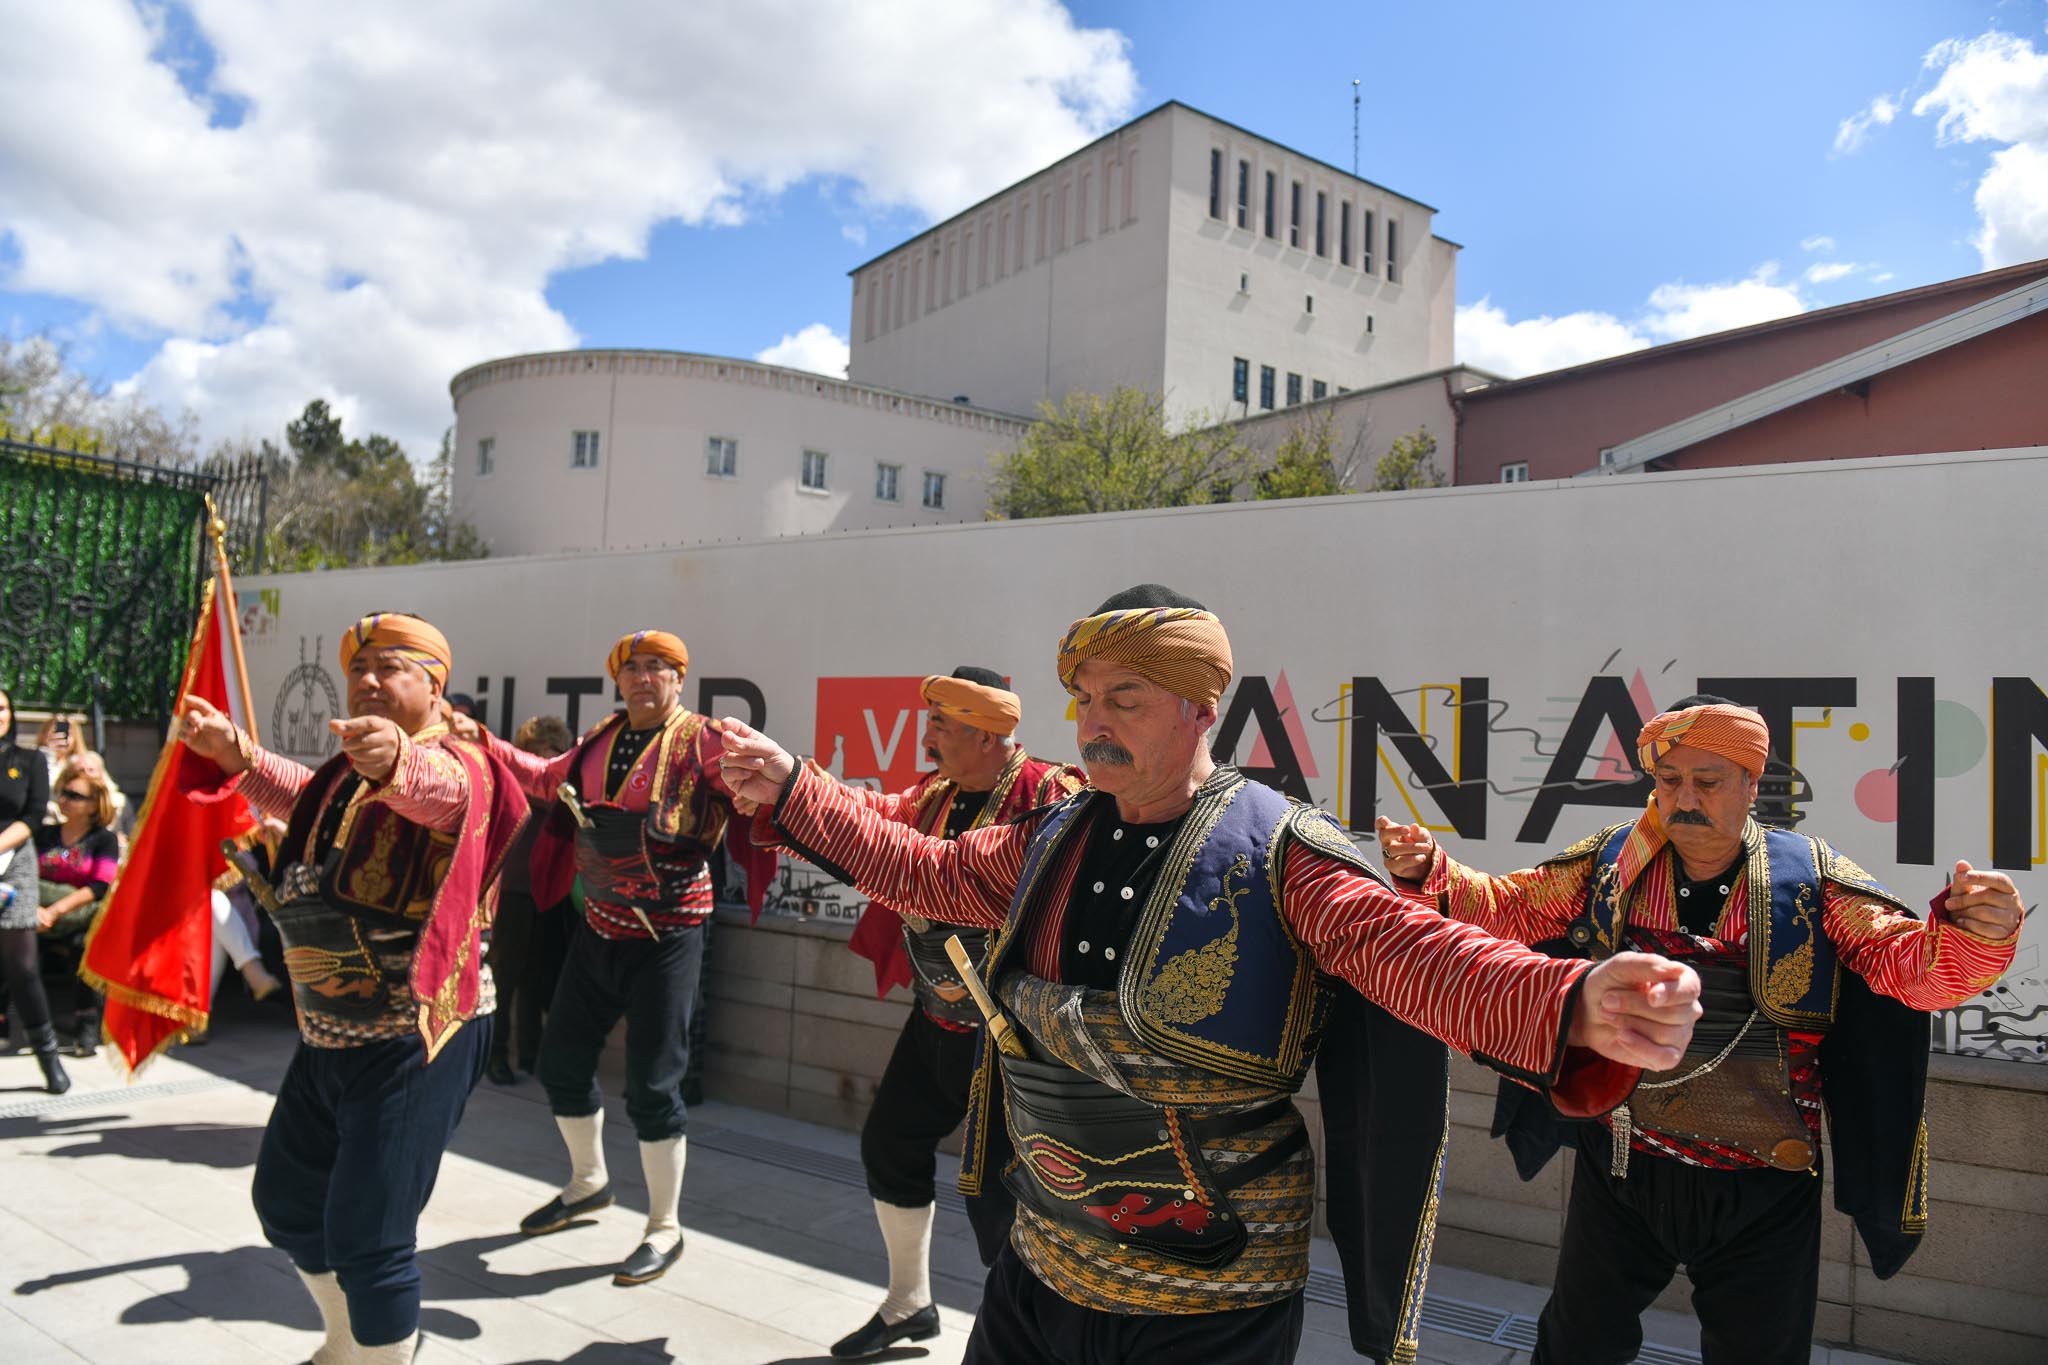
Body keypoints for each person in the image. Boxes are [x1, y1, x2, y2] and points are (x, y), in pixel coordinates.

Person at [719, 586, 1704, 1365]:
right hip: (1043, 1258)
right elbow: (924, 872)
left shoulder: (1277, 851)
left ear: (1201, 709)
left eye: (1124, 699)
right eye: (1085, 698)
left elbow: (1408, 947)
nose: (1092, 722)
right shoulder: (1049, 835)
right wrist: (795, 789)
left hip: (1211, 1295)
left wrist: (1568, 1000)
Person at [1375, 697, 2024, 1365]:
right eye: (1669, 780)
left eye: (1707, 781)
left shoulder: (1812, 881)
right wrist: (1429, 871)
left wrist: (1978, 932)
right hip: (1622, 1166)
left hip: (1764, 1183)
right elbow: (1508, 906)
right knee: (1574, 1346)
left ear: (1752, 782)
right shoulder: (1613, 864)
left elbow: (1912, 970)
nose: (1684, 798)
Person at [178, 612, 525, 1365]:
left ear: (434, 684)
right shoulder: (347, 772)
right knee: (287, 1203)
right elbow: (311, 798)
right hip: (328, 1031)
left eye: (389, 667)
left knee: (370, 1237)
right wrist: (238, 755)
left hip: (415, 1034)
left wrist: (399, 761)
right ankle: (346, 1344)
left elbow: (439, 796)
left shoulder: (462, 764)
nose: (367, 679)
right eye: (358, 668)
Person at [476, 629, 769, 1288]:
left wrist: (755, 796)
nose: (643, 677)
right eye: (633, 667)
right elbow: (545, 778)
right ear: (619, 679)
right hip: (600, 927)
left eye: (658, 667)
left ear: (679, 679)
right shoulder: (599, 740)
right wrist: (484, 743)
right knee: (560, 1062)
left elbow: (758, 793)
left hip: (669, 934)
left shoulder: (705, 741)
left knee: (653, 1085)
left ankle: (664, 1226)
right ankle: (588, 1182)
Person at [822, 668, 1084, 1359]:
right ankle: (908, 1304)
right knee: (889, 1146)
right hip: (935, 1022)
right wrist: (797, 787)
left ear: (986, 732)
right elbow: (869, 816)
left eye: (940, 722)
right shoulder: (933, 794)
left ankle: (1022, 1343)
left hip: (1009, 1042)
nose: (927, 735)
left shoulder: (1051, 795)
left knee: (1002, 1202)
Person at [484, 714, 575, 1086]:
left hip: (547, 892)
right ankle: (495, 1056)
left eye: (554, 753)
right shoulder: (515, 784)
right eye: (539, 753)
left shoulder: (561, 793)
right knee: (504, 979)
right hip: (513, 891)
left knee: (536, 980)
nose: (546, 761)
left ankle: (531, 1055)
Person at [0, 684, 67, 1094]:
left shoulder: (29, 760)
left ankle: (48, 1056)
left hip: (14, 865)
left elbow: (34, 814)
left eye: (2, 708)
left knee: (22, 966)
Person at [34, 757, 123, 1056]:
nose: (64, 800)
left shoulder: (103, 840)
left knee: (86, 948)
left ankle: (86, 1026)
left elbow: (99, 886)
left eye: (74, 796)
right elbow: (28, 876)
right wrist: (37, 911)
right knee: (13, 944)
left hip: (80, 917)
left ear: (93, 805)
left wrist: (55, 910)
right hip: (38, 914)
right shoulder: (45, 834)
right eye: (63, 793)